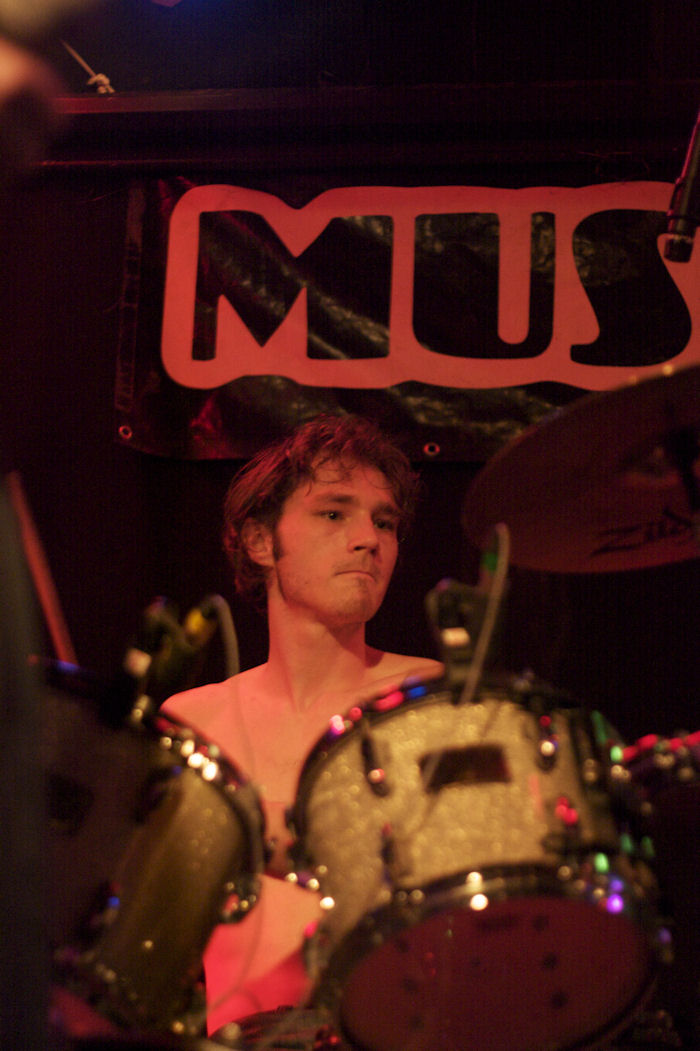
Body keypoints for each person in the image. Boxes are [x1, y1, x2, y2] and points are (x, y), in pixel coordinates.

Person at [164, 414, 443, 1041]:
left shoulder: (423, 697)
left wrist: (261, 833)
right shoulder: (191, 720)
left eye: (384, 522)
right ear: (261, 542)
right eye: (334, 513)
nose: (368, 539)